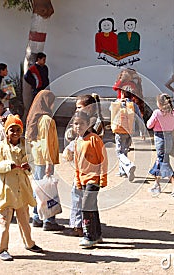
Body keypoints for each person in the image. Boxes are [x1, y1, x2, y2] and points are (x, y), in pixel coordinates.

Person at [0, 114, 42, 261]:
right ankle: (1, 249)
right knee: (3, 220)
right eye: (12, 130)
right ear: (6, 132)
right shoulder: (0, 148)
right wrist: (7, 166)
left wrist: (27, 167)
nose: (15, 133)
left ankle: (29, 243)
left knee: (24, 218)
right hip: (7, 190)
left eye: (18, 130)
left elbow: (33, 162)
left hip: (23, 188)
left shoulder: (26, 146)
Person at [63, 94, 104, 237]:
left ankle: (83, 229)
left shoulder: (94, 123)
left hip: (91, 170)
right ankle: (81, 226)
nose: (76, 111)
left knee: (85, 200)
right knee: (78, 196)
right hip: (81, 168)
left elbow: (86, 139)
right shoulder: (80, 120)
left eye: (79, 107)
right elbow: (72, 135)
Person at [25, 90, 64, 231]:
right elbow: (47, 142)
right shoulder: (47, 120)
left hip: (36, 158)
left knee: (39, 188)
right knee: (47, 190)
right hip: (44, 159)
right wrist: (49, 162)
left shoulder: (34, 119)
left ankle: (36, 216)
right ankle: (48, 219)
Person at [73, 110, 108, 247]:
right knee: (92, 207)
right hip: (83, 180)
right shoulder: (77, 141)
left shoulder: (94, 139)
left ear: (88, 124)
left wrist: (103, 178)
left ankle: (89, 236)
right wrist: (78, 180)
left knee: (86, 207)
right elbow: (77, 163)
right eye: (76, 123)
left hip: (94, 179)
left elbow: (103, 159)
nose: (78, 126)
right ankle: (97, 234)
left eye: (81, 123)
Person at [146, 93, 174, 196]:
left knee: (163, 162)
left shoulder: (157, 113)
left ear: (160, 103)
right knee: (160, 161)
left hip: (160, 139)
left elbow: (149, 125)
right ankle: (156, 185)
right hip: (169, 138)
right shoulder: (173, 113)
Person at [110, 89, 142, 182]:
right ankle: (122, 171)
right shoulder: (134, 105)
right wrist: (142, 131)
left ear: (122, 94)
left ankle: (128, 165)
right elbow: (139, 117)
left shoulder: (117, 102)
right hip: (129, 131)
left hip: (119, 130)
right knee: (125, 150)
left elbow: (111, 109)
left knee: (119, 152)